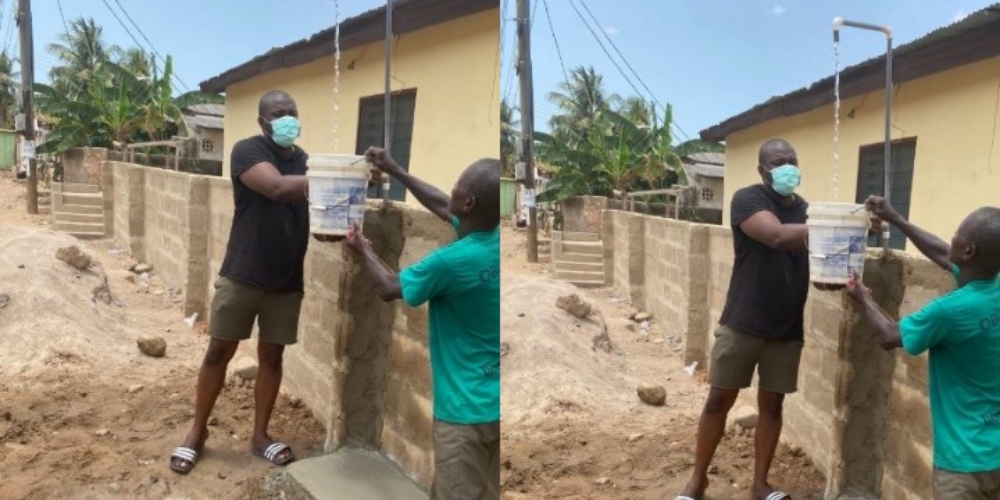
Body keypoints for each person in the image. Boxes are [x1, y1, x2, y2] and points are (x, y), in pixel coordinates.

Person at [345, 148, 500, 500]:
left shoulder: (452, 261)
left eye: (458, 187)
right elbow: (444, 206)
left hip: (465, 413)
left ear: (470, 203)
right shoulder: (495, 240)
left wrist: (363, 249)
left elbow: (388, 287)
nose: (452, 191)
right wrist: (396, 169)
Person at [170, 90, 311, 474]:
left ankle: (260, 436)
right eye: (279, 113)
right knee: (219, 351)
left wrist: (353, 179)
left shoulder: (305, 161)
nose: (288, 118)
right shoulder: (248, 151)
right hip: (243, 273)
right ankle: (196, 433)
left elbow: (322, 203)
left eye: (292, 111)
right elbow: (278, 188)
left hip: (286, 279)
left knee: (272, 356)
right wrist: (335, 177)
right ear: (263, 122)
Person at [677, 139, 809, 500]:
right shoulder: (748, 199)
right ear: (762, 170)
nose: (787, 167)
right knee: (719, 399)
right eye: (779, 161)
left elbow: (818, 255)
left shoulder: (806, 210)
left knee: (772, 405)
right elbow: (777, 236)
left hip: (786, 328)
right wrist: (834, 228)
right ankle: (697, 480)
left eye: (792, 159)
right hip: (743, 321)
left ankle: (759, 485)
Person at [846, 198, 1000, 500]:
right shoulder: (992, 285)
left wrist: (863, 298)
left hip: (964, 463)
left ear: (968, 252)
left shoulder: (950, 311)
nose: (951, 238)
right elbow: (943, 252)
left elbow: (889, 336)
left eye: (958, 234)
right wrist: (896, 219)